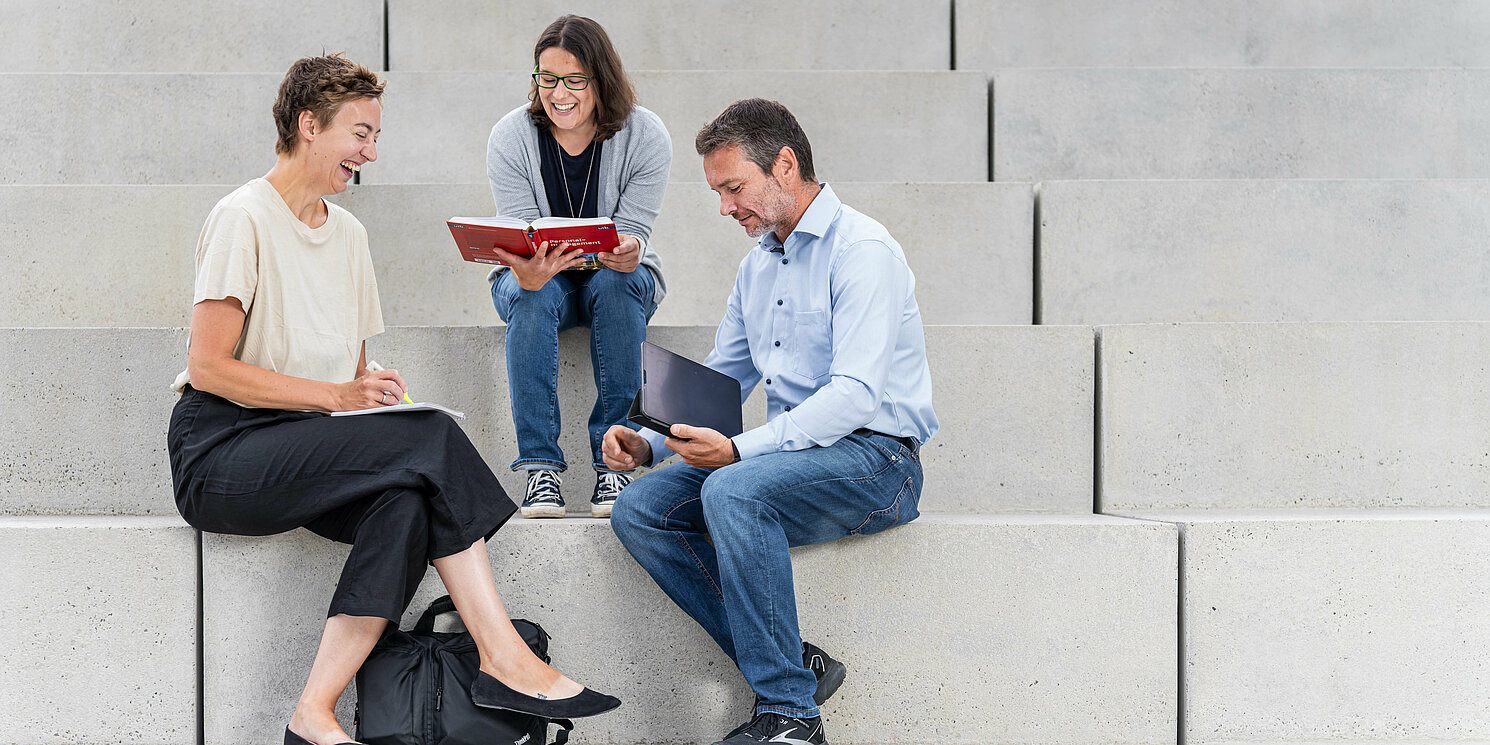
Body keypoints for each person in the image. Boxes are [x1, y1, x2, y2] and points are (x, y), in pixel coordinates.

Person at [165, 54, 618, 745]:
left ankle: (312, 712)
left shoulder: (350, 236)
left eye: (375, 137)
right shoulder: (243, 216)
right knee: (431, 439)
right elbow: (208, 368)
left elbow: (345, 379)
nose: (371, 153)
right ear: (309, 125)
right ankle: (500, 653)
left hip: (302, 443)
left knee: (406, 501)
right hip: (222, 452)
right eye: (361, 133)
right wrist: (341, 397)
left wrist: (373, 393)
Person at [603, 99, 938, 745]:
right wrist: (645, 442)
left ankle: (791, 715)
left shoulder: (865, 251)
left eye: (734, 187)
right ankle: (798, 664)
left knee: (734, 486)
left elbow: (856, 396)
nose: (726, 207)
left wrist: (737, 450)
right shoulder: (758, 265)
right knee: (639, 508)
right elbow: (722, 376)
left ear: (785, 165)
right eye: (719, 192)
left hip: (879, 462)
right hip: (794, 461)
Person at [484, 14, 671, 519]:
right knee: (530, 293)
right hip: (537, 281)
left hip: (615, 279)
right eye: (547, 79)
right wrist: (527, 268)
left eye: (574, 80)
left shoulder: (645, 134)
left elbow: (635, 228)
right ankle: (540, 468)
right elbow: (519, 229)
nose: (558, 93)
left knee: (617, 282)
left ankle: (615, 463)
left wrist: (629, 249)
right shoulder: (511, 135)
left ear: (600, 80)